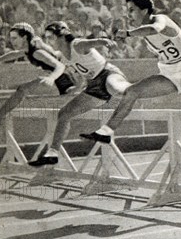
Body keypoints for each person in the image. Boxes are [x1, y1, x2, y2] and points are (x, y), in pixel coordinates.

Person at [78, 0, 181, 144]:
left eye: (132, 10)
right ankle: (106, 132)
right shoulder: (144, 33)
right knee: (132, 92)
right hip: (170, 74)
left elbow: (155, 29)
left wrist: (127, 33)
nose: (129, 14)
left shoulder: (160, 19)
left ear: (144, 10)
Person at [28, 22, 132, 166]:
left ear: (62, 36)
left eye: (51, 37)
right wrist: (76, 89)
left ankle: (141, 89)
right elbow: (82, 75)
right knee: (64, 114)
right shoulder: (63, 57)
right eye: (46, 38)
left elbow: (96, 41)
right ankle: (53, 152)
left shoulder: (76, 44)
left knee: (118, 90)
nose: (48, 41)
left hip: (107, 73)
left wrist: (107, 42)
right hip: (93, 87)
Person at [0, 23, 76, 127]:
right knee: (23, 89)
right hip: (57, 77)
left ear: (25, 37)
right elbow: (14, 54)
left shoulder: (37, 52)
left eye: (14, 38)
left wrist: (51, 78)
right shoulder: (28, 49)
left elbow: (60, 66)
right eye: (11, 38)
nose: (11, 41)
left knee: (23, 89)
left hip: (65, 80)